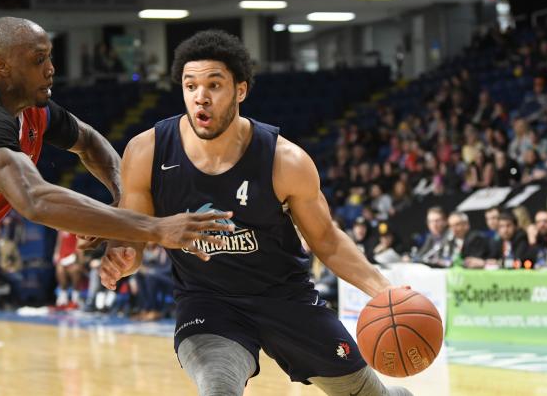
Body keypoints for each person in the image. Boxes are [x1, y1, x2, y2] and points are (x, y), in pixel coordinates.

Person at [0, 17, 232, 396]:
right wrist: (153, 227)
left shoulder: (34, 113)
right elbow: (34, 198)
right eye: (38, 59)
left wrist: (119, 196)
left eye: (49, 56)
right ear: (1, 66)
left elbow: (90, 142)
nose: (51, 68)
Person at [99, 30, 411, 396]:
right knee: (218, 389)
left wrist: (383, 291)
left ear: (240, 91)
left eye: (214, 85)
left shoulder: (285, 161)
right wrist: (123, 257)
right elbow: (135, 237)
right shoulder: (147, 152)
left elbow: (326, 240)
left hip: (285, 298)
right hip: (207, 302)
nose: (200, 97)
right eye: (190, 85)